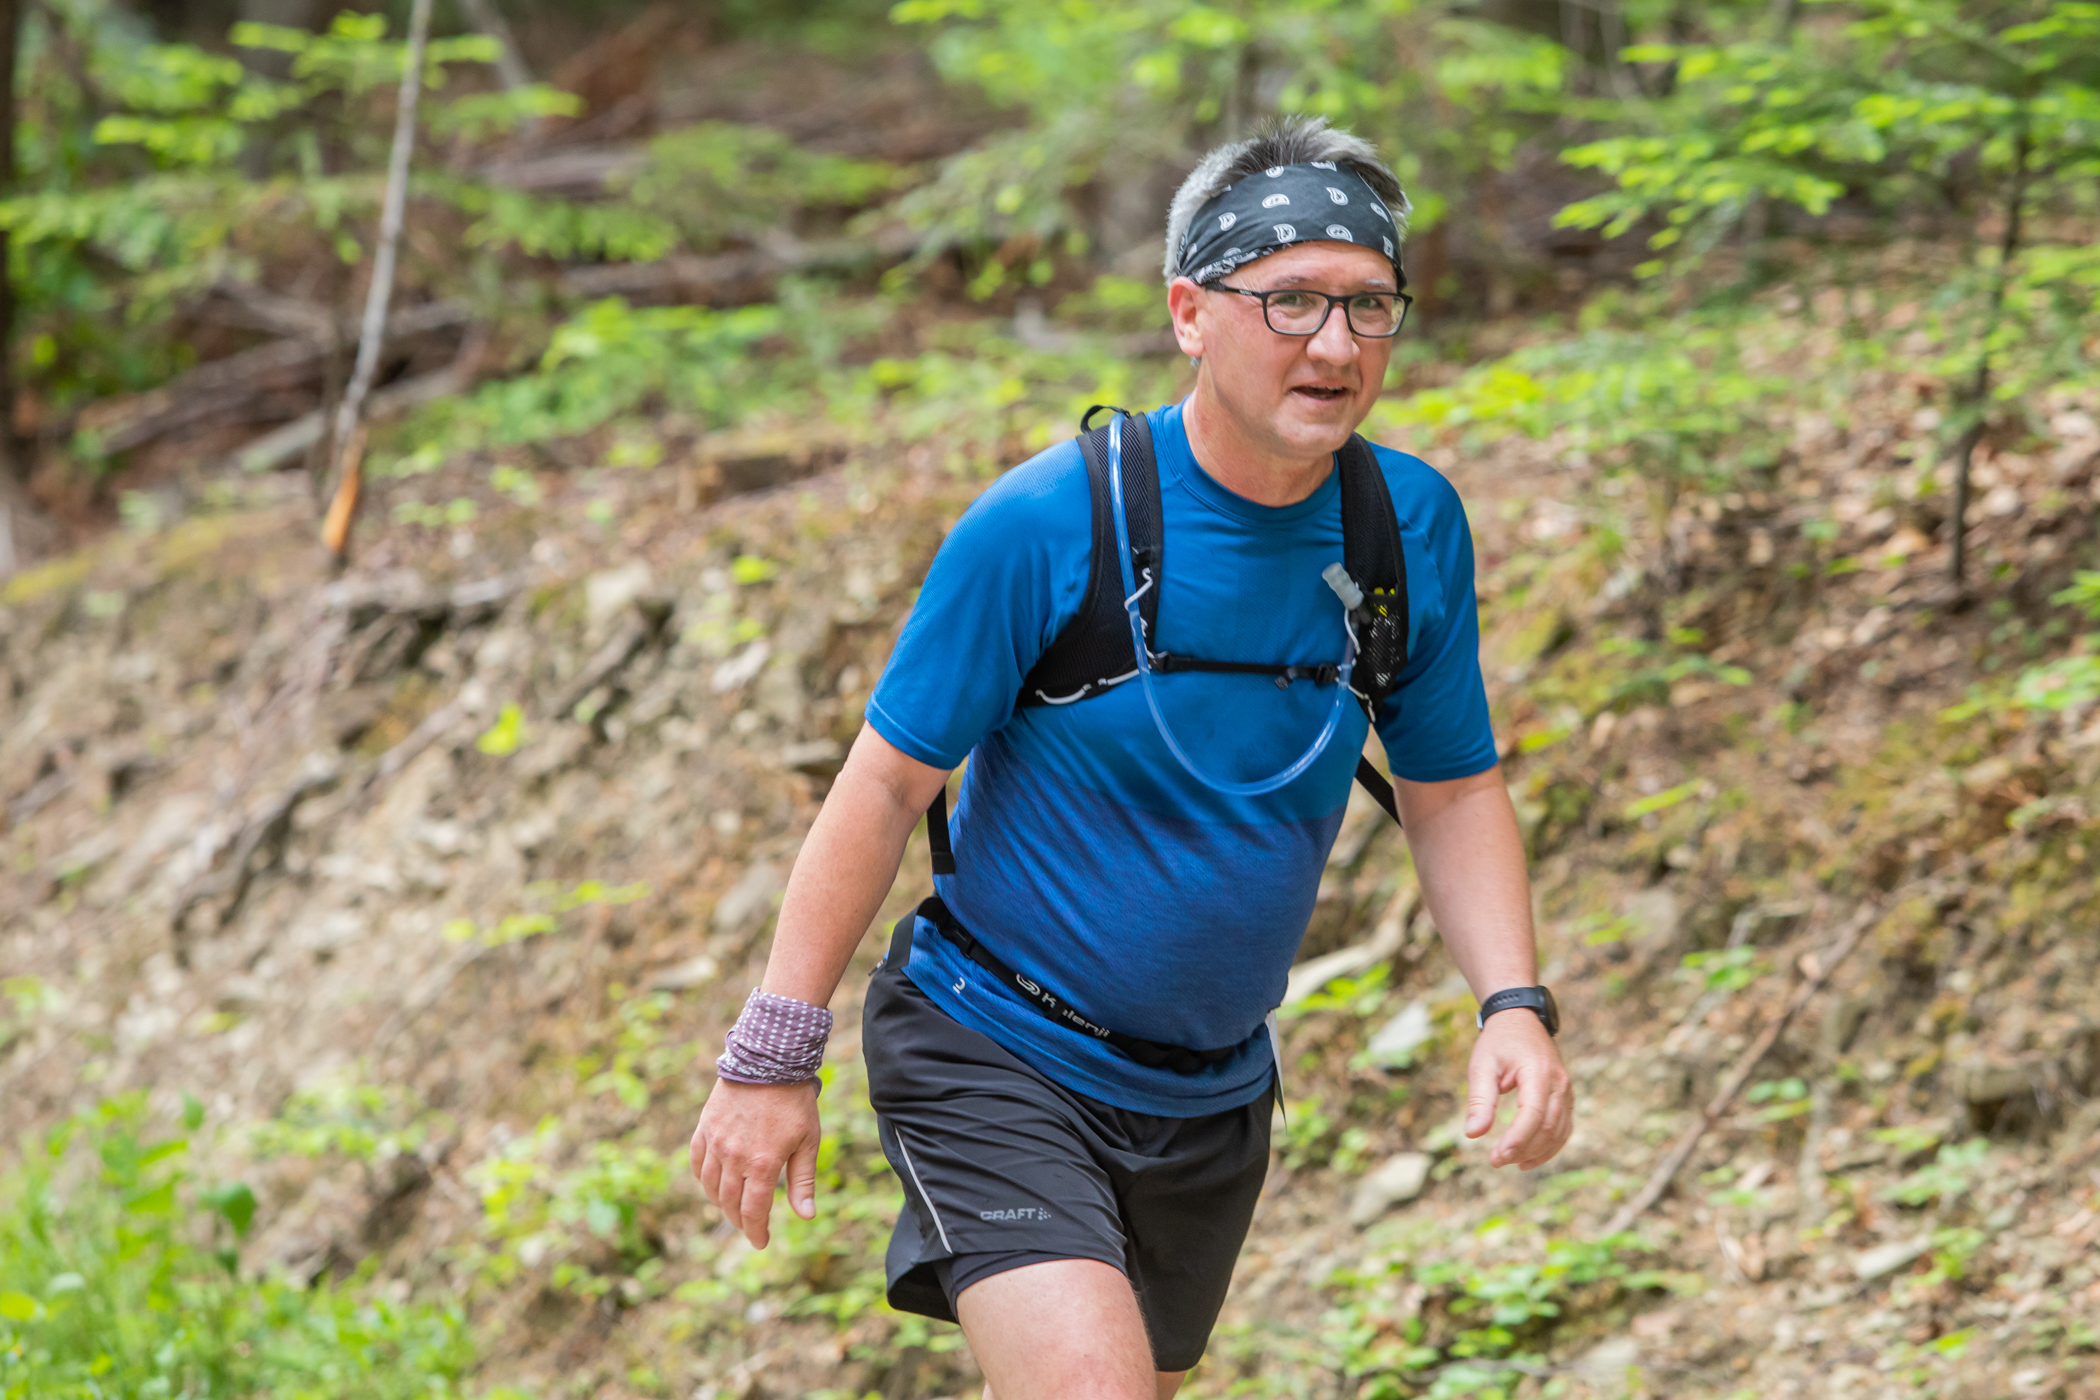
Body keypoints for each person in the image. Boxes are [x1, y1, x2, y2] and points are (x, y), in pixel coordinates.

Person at [689, 115, 1574, 1400]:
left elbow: (1451, 788)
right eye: (1290, 300)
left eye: (1370, 304)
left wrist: (1513, 1003)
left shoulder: (1406, 524)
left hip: (1211, 1092)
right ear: (1189, 313)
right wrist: (774, 1050)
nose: (1336, 345)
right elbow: (885, 784)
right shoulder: (1052, 520)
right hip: (996, 1048)